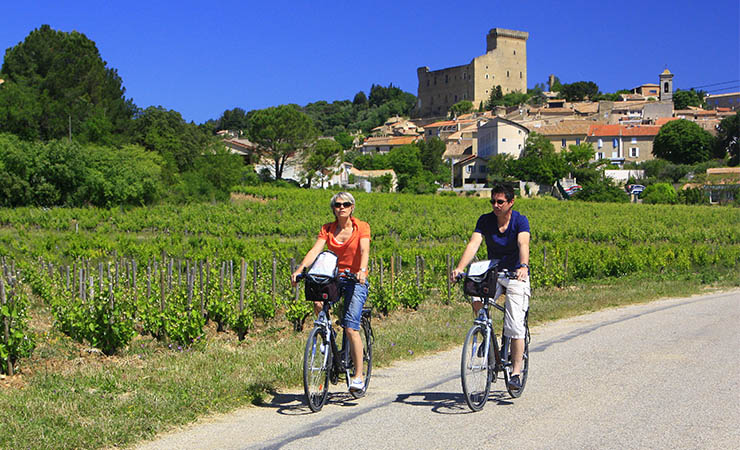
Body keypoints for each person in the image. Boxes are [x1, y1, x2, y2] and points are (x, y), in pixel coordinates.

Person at [451, 183, 530, 390]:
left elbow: (523, 244)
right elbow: (473, 244)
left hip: (515, 274)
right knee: (476, 298)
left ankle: (515, 372)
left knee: (514, 324)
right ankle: (489, 342)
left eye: (500, 202)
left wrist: (523, 266)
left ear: (511, 202)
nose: (496, 205)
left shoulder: (520, 221)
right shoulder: (485, 220)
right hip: (493, 272)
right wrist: (460, 268)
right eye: (493, 201)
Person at [292, 192, 370, 392]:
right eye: (337, 205)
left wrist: (361, 271)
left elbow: (364, 251)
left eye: (345, 204)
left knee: (351, 327)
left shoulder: (361, 227)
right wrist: (301, 270)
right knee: (318, 303)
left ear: (352, 207)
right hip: (334, 277)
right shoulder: (327, 229)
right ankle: (327, 332)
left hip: (355, 279)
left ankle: (358, 376)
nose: (341, 207)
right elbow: (315, 250)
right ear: (333, 208)